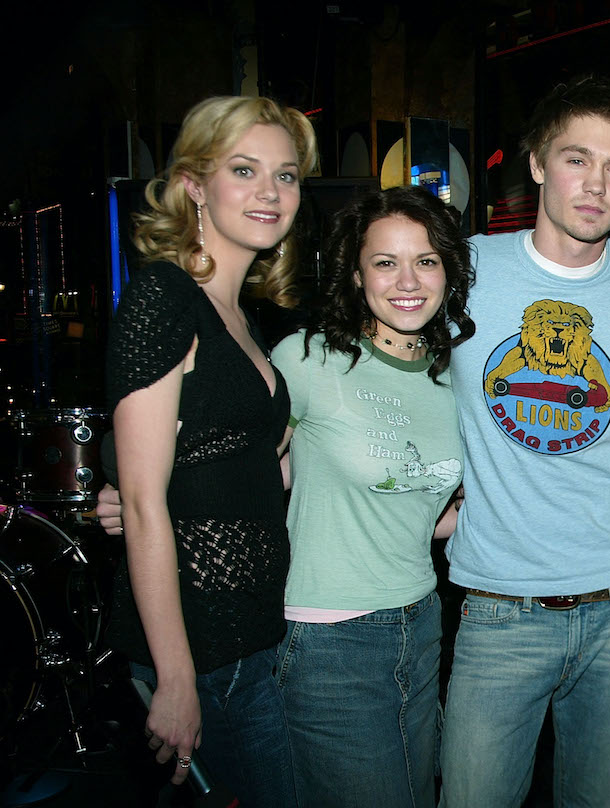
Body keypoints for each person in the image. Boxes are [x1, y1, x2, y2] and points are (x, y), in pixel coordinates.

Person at [438, 75, 610, 807]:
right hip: (499, 607)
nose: (596, 184)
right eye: (577, 159)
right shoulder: (464, 269)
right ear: (538, 164)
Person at [105, 95, 317, 805]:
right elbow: (143, 501)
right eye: (244, 170)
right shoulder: (165, 296)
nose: (270, 192)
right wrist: (174, 678)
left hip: (255, 635)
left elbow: (249, 471)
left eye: (285, 175)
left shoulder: (243, 316)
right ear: (194, 185)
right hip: (199, 647)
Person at [268, 186, 473, 808]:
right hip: (330, 637)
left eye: (426, 261)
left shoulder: (454, 376)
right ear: (356, 276)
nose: (407, 281)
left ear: (448, 273)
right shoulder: (308, 359)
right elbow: (242, 473)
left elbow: (421, 510)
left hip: (421, 621)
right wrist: (142, 491)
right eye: (385, 262)